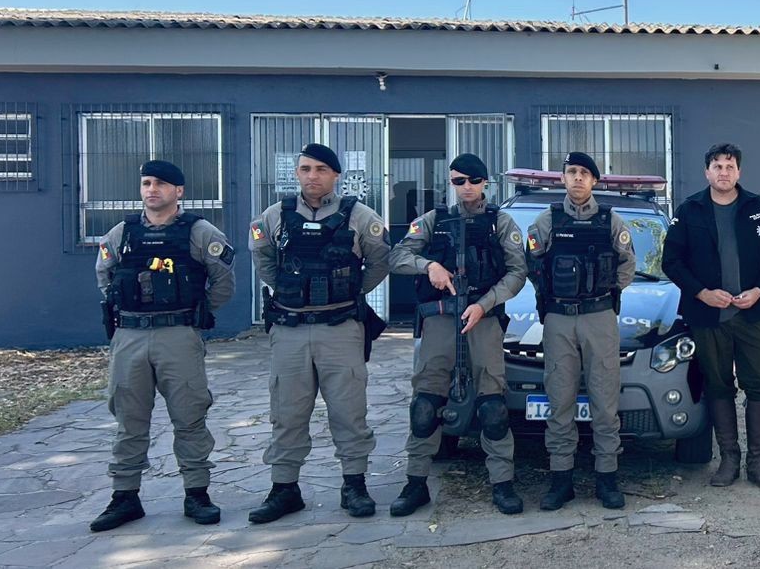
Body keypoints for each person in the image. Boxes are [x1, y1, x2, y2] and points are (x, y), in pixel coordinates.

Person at [247, 143, 392, 523]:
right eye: (306, 169)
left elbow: (380, 260)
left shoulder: (360, 216)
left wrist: (354, 290)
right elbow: (261, 256)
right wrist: (283, 287)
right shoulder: (275, 216)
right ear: (297, 173)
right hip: (290, 329)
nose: (313, 176)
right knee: (287, 412)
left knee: (349, 411)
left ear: (336, 175)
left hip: (340, 328)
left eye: (321, 169)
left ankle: (354, 484)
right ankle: (284, 488)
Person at [90, 160, 236, 532]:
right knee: (128, 418)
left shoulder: (200, 232)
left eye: (160, 184)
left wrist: (195, 314)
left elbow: (222, 281)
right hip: (130, 336)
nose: (151, 189)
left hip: (178, 336)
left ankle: (196, 493)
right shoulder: (121, 232)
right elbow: (105, 277)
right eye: (146, 183)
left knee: (189, 414)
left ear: (179, 191)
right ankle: (125, 496)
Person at [387, 154, 528, 517]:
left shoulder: (501, 222)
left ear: (485, 182)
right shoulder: (434, 220)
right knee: (425, 405)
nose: (466, 187)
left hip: (483, 320)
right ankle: (416, 482)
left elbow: (517, 272)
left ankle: (502, 483)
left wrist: (485, 303)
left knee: (493, 407)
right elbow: (397, 256)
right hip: (438, 321)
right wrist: (429, 265)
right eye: (458, 181)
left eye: (473, 180)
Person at [662, 142, 760, 490]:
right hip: (708, 316)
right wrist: (702, 292)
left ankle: (757, 460)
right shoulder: (690, 211)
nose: (723, 172)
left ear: (739, 172)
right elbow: (671, 261)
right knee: (718, 386)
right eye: (717, 166)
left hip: (751, 315)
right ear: (707, 172)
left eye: (729, 166)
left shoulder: (757, 208)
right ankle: (729, 458)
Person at [525, 152, 636, 510]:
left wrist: (603, 293)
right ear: (562, 178)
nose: (577, 178)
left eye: (584, 173)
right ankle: (561, 480)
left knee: (605, 401)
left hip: (599, 317)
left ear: (594, 181)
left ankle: (607, 478)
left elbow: (627, 266)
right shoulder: (546, 221)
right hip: (558, 318)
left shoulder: (610, 221)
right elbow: (532, 264)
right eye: (571, 172)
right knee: (560, 401)